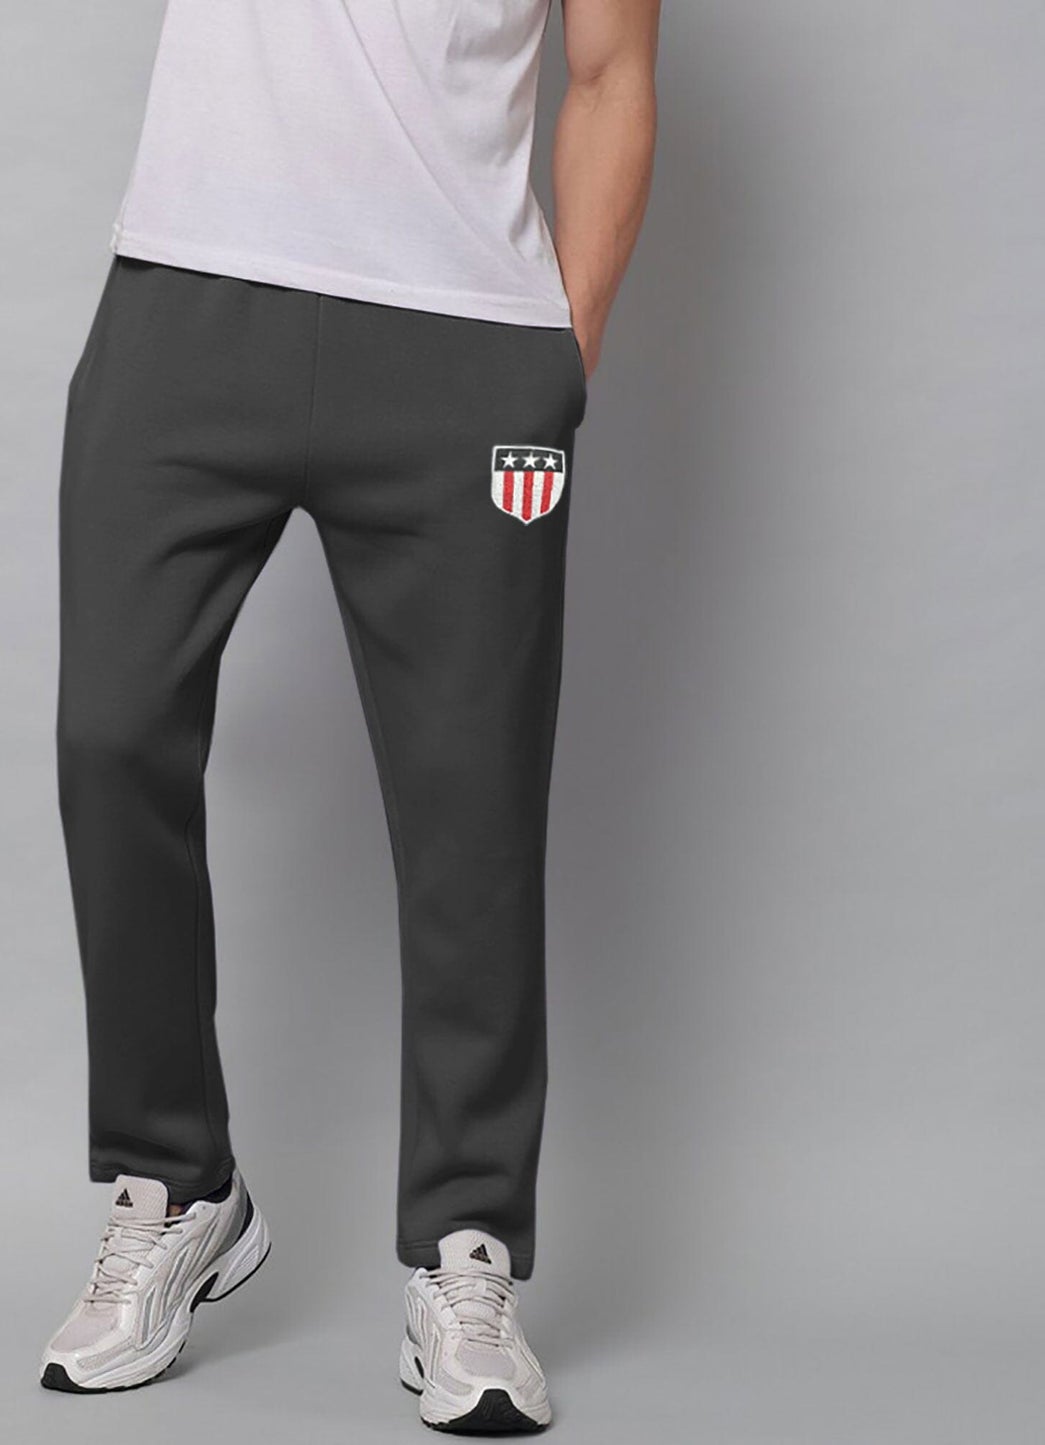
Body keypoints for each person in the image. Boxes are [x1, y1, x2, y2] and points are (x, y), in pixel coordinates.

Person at [39, 0, 660, 1430]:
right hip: (190, 296)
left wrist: (554, 362)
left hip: (465, 341)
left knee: (472, 805)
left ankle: (466, 1245)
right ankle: (177, 1179)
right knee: (111, 736)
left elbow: (610, 73)